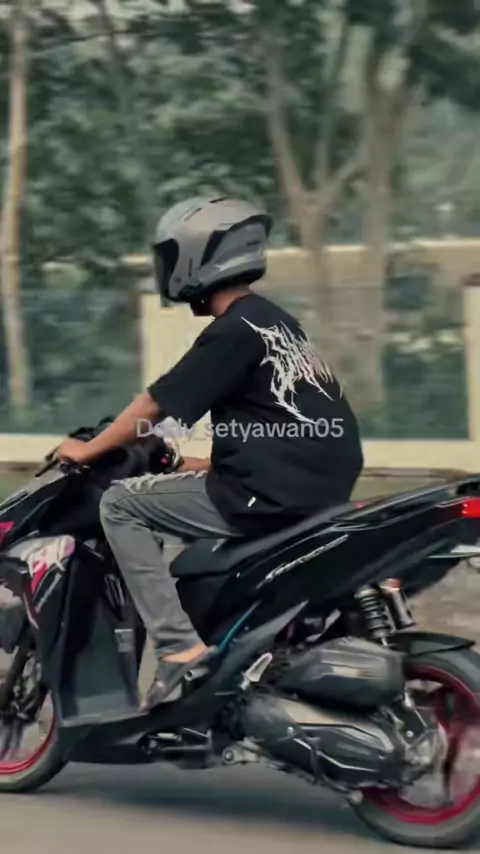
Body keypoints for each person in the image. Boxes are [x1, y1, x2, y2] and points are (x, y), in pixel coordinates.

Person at [0, 196, 364, 708]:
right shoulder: (276, 323)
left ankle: (178, 649)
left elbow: (154, 406)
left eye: (172, 256)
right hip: (314, 486)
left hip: (269, 495)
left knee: (121, 505)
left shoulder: (232, 331)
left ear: (201, 256)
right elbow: (277, 430)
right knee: (177, 520)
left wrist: (87, 450)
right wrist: (182, 462)